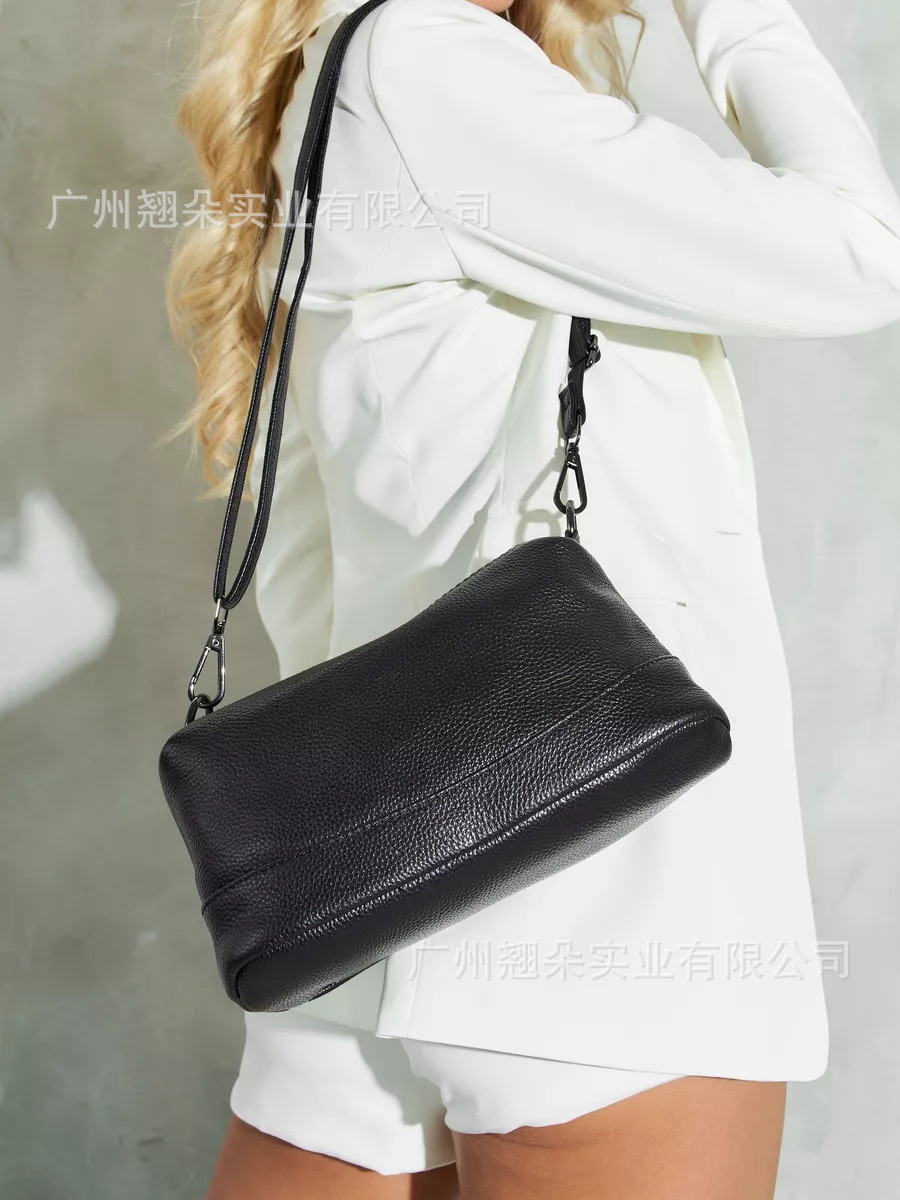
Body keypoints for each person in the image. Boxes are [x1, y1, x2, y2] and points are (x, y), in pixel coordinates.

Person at [165, 0, 900, 1196]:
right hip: (599, 903)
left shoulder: (346, 78)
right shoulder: (430, 63)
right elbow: (865, 248)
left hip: (374, 888)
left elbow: (308, 565)